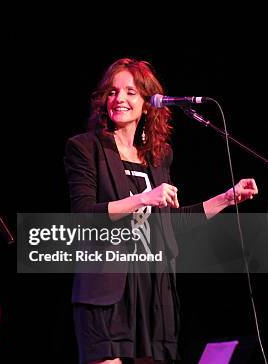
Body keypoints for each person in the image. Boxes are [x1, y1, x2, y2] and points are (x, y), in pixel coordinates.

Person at [63, 58, 258, 364]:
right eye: (112, 92)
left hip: (153, 288)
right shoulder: (85, 148)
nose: (119, 99)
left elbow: (169, 223)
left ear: (147, 101)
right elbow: (84, 216)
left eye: (130, 92)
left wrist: (226, 198)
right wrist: (143, 199)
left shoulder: (158, 156)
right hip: (107, 288)